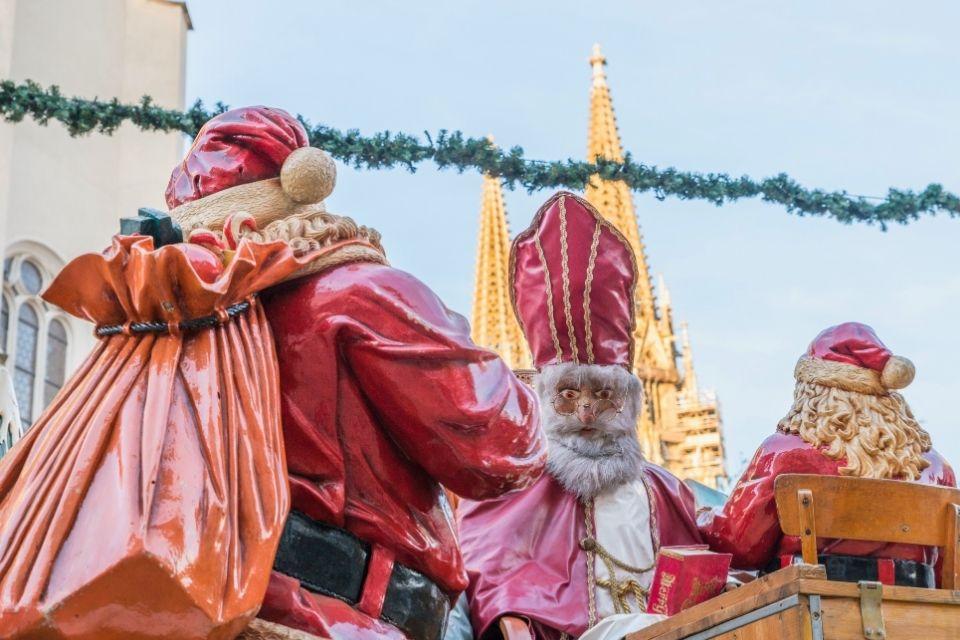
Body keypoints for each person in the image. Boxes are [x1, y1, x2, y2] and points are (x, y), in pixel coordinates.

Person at [163, 106, 547, 640]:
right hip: (343, 618)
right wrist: (532, 390)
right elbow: (498, 453)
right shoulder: (356, 294)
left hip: (204, 606)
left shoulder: (166, 325)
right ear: (305, 184)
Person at [457, 192, 701, 640]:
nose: (587, 411)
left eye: (603, 395)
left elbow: (709, 557)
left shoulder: (665, 491)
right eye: (569, 395)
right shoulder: (517, 484)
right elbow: (489, 565)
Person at [699, 322, 956, 586]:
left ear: (811, 391)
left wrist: (702, 516)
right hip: (920, 615)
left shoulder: (783, 452)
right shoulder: (936, 468)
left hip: (807, 607)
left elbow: (741, 549)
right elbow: (948, 570)